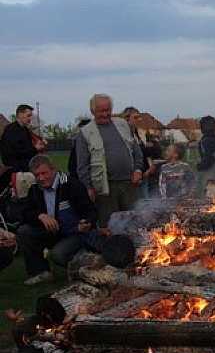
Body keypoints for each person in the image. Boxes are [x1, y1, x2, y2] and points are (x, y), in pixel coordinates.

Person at [16, 155, 105, 285]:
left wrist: (86, 222)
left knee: (58, 254)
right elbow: (24, 213)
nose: (41, 178)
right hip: (52, 231)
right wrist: (40, 215)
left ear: (53, 170)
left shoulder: (71, 184)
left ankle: (86, 264)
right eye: (37, 175)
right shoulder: (35, 189)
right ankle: (41, 272)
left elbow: (90, 211)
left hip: (75, 232)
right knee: (24, 231)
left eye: (44, 173)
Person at [75, 94, 144, 227]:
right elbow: (82, 166)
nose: (106, 114)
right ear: (92, 111)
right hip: (105, 190)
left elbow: (137, 151)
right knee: (111, 226)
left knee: (135, 223)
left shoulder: (123, 124)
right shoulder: (85, 133)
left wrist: (138, 170)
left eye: (108, 110)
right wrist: (88, 187)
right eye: (102, 111)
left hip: (129, 184)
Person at [122, 107, 157, 199]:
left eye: (139, 117)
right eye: (135, 117)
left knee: (146, 202)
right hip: (133, 177)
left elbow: (145, 152)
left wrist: (150, 165)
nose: (138, 120)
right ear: (127, 118)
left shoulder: (138, 134)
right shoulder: (123, 135)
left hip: (145, 174)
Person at [0, 104, 45, 172]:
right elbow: (17, 152)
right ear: (20, 114)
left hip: (25, 167)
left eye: (31, 116)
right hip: (16, 170)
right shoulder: (11, 130)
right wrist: (35, 148)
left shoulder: (24, 129)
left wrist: (37, 145)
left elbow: (27, 149)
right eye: (28, 116)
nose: (30, 119)